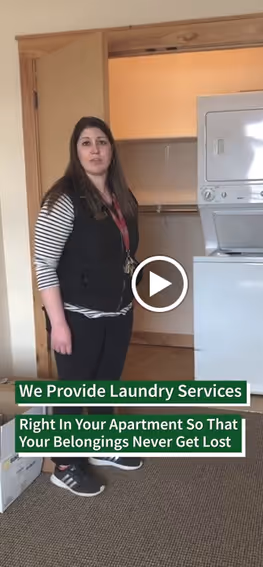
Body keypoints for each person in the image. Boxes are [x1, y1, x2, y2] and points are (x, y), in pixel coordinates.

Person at [34, 116, 143, 498]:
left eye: (101, 141)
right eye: (86, 143)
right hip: (77, 319)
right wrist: (58, 324)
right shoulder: (62, 200)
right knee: (72, 392)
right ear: (76, 151)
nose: (95, 149)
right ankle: (64, 465)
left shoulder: (122, 196)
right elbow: (43, 264)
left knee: (106, 386)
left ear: (112, 149)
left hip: (118, 314)